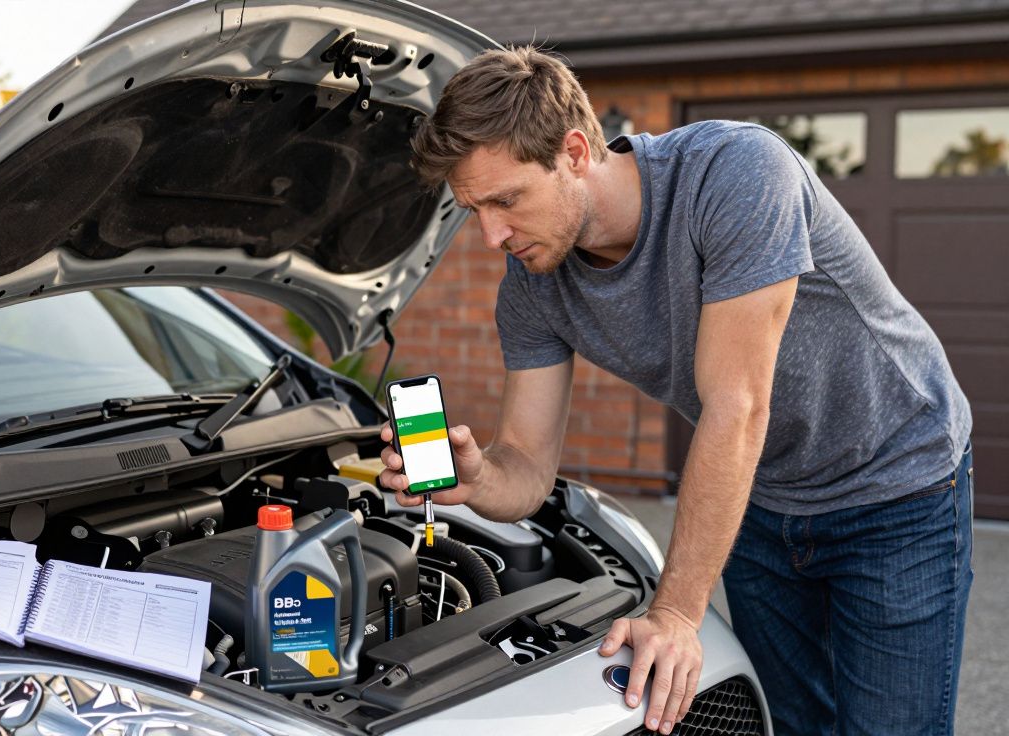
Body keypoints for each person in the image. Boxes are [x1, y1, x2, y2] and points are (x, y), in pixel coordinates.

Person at [378, 46, 973, 736]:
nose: (491, 236)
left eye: (506, 200)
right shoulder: (532, 286)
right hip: (762, 494)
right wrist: (478, 479)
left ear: (574, 152)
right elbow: (528, 469)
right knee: (794, 724)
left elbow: (737, 406)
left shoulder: (737, 174)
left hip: (898, 486)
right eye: (473, 209)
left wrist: (676, 614)